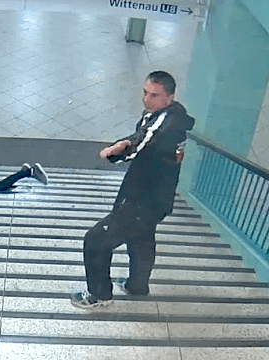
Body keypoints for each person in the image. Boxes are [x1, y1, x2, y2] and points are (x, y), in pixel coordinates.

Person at [70, 71, 195, 310]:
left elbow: (146, 141)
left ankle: (99, 295)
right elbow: (142, 133)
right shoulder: (168, 116)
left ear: (169, 98)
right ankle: (137, 286)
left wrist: (116, 153)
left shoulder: (166, 125)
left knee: (95, 240)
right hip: (157, 198)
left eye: (155, 95)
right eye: (145, 92)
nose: (147, 99)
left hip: (142, 199)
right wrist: (127, 142)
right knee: (141, 239)